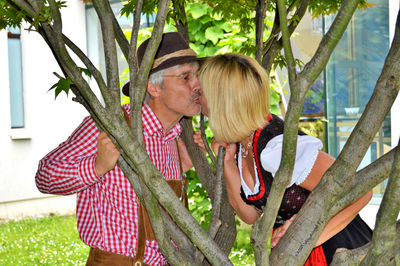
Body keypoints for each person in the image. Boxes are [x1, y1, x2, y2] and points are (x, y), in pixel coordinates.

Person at [35, 32, 201, 266]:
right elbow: (45, 176)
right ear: (153, 88)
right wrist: (96, 166)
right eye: (186, 77)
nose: (198, 85)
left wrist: (183, 166)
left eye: (197, 75)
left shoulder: (173, 137)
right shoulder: (111, 126)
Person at [195, 53, 372, 265]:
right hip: (293, 254)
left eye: (201, 91)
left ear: (221, 100)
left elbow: (361, 190)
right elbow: (250, 215)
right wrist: (226, 162)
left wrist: (311, 237)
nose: (196, 95)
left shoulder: (276, 148)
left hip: (336, 248)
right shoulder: (243, 144)